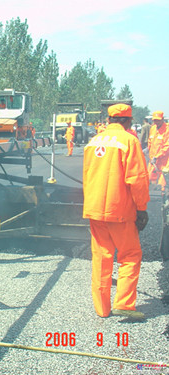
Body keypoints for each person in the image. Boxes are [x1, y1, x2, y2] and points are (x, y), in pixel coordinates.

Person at [83, 103, 149, 320]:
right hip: (119, 210)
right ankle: (124, 304)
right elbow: (137, 179)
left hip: (94, 209)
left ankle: (102, 309)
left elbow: (87, 175)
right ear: (128, 121)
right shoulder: (129, 141)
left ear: (110, 119)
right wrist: (141, 209)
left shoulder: (94, 141)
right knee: (130, 255)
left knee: (101, 256)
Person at [147, 111, 169, 190]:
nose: (156, 122)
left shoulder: (167, 130)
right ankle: (153, 195)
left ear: (162, 119)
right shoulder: (153, 128)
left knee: (162, 183)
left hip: (163, 161)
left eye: (158, 120)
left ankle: (163, 197)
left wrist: (157, 156)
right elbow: (150, 142)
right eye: (155, 120)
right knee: (149, 178)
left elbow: (167, 147)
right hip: (152, 160)